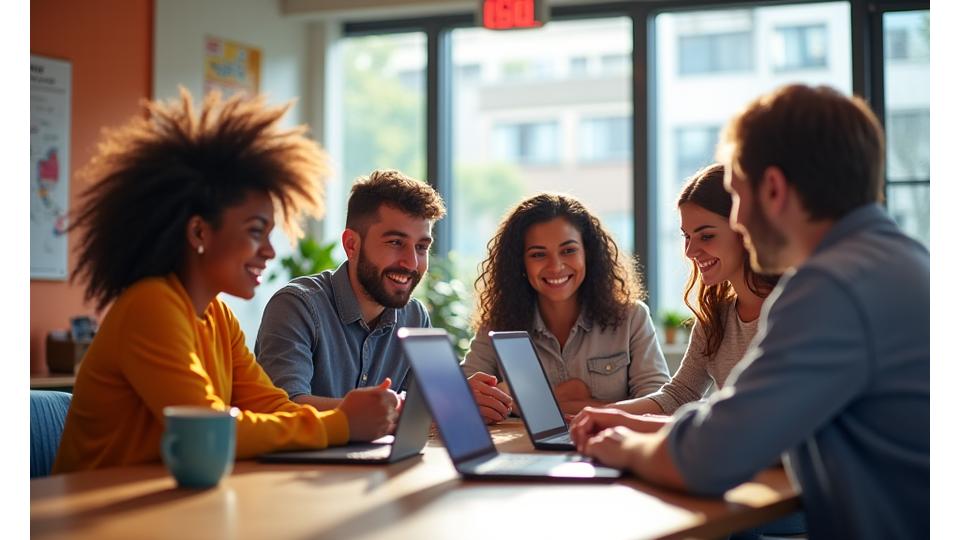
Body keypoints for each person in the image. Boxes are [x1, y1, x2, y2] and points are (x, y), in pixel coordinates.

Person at [570, 84, 929, 539]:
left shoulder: (828, 287)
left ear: (773, 189)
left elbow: (710, 457)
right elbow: (749, 425)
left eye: (737, 196)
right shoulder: (906, 261)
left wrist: (625, 447)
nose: (738, 220)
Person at [54, 90, 399, 474]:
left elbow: (271, 406)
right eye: (255, 231)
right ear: (199, 232)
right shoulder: (151, 304)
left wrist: (355, 411)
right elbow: (211, 428)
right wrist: (343, 422)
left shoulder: (217, 315)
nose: (269, 251)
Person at [462, 193, 670, 423]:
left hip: (609, 452)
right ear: (520, 263)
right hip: (523, 453)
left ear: (588, 254)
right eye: (538, 254)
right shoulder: (497, 324)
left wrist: (530, 403)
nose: (556, 266)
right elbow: (460, 396)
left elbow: (659, 406)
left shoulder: (632, 318)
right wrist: (583, 403)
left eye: (568, 250)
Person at [255, 169, 446, 411]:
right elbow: (283, 406)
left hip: (383, 451)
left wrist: (460, 399)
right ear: (351, 245)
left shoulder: (415, 317)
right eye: (395, 243)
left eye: (421, 247)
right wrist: (366, 412)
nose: (411, 262)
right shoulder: (296, 306)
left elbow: (427, 406)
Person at [601, 163, 778, 418]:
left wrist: (619, 420)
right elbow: (679, 394)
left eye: (706, 236)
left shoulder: (788, 309)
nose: (690, 252)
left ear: (744, 229)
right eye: (686, 237)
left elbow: (755, 418)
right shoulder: (715, 318)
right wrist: (602, 415)